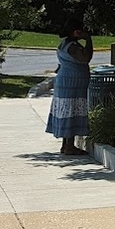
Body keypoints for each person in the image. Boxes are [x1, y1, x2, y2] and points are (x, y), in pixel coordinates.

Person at [45, 18, 93, 155]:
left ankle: (66, 145)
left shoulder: (65, 43)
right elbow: (86, 57)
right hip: (71, 83)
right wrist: (88, 39)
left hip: (67, 82)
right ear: (76, 32)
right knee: (71, 111)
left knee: (69, 111)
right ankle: (69, 146)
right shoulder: (72, 46)